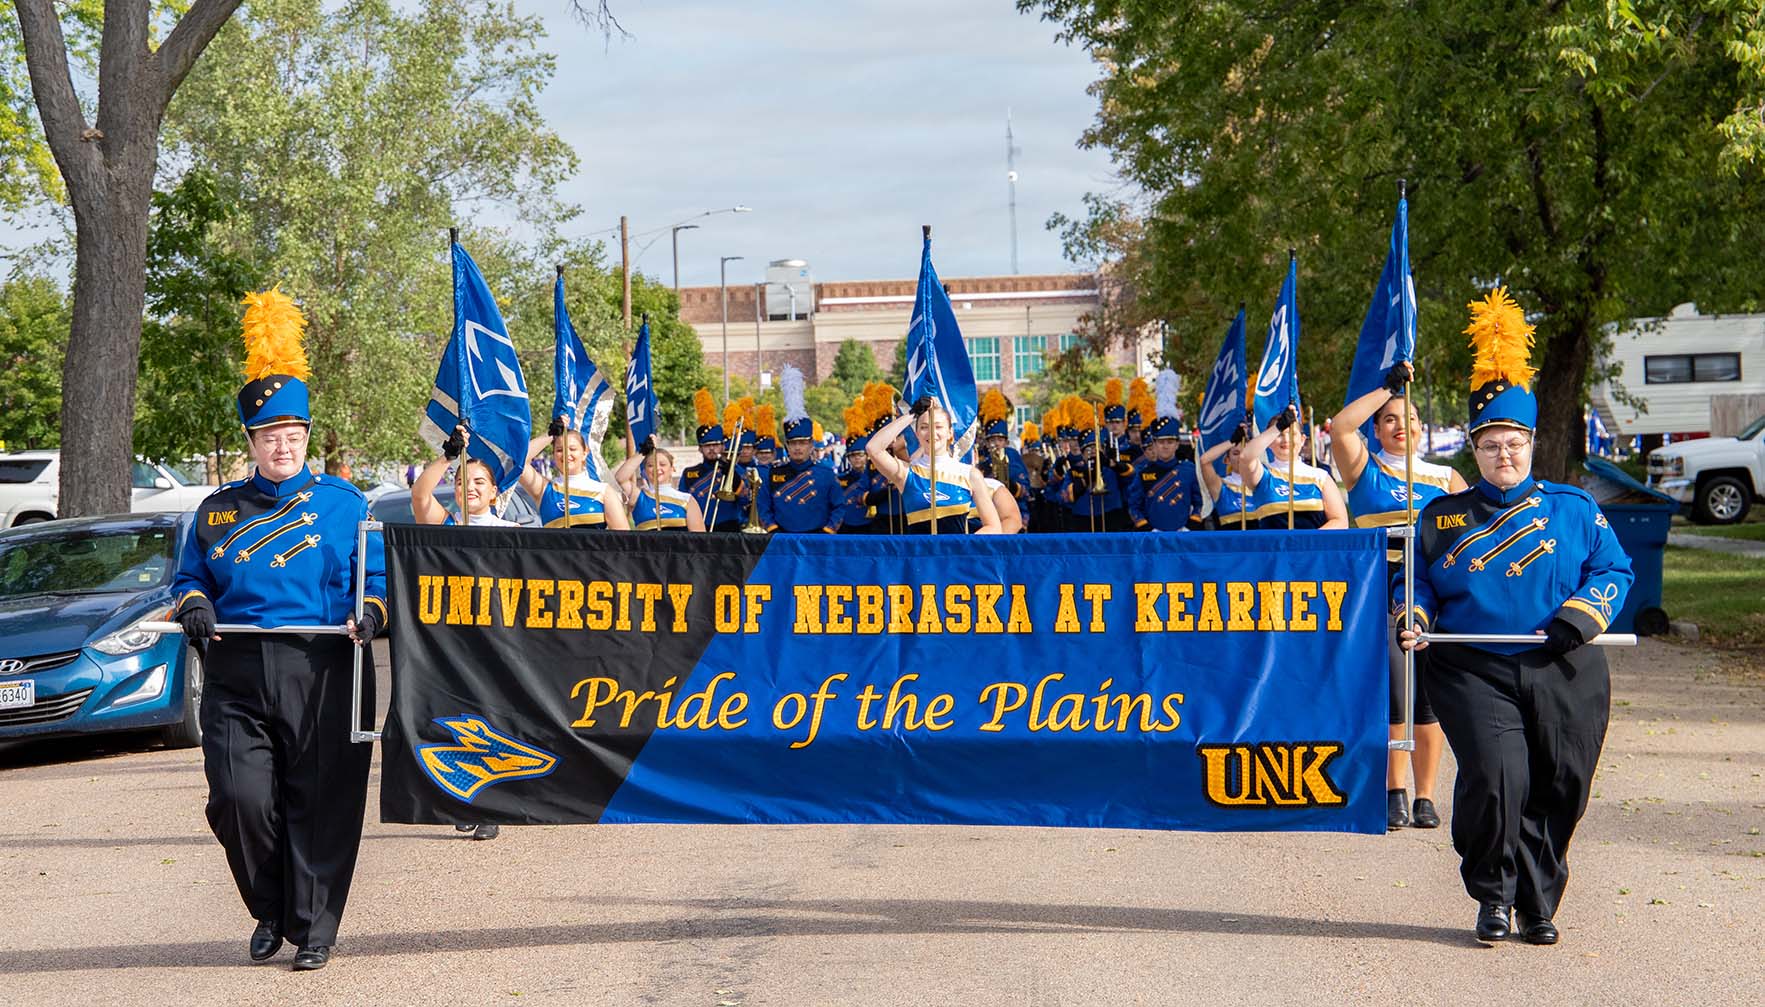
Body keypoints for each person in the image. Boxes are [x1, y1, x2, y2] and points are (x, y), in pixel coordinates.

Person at [1399, 288, 1633, 945]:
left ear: (1531, 443)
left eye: (1515, 442)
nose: (1504, 455)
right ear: (1471, 448)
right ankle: (1494, 896)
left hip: (1565, 662)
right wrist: (1411, 614)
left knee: (1560, 784)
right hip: (1472, 664)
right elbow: (1413, 582)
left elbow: (1614, 571)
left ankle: (1537, 901)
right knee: (1499, 778)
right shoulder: (1440, 517)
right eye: (1490, 443)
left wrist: (1578, 618)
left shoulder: (1574, 507)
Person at [171, 288, 384, 972]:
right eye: (269, 436)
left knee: (320, 801)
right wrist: (193, 604)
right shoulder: (216, 510)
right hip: (235, 668)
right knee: (238, 798)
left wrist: (373, 612)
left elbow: (376, 580)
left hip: (324, 665)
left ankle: (314, 927)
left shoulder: (345, 504)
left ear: (305, 437)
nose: (282, 445)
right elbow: (189, 578)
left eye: (292, 435)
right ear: (252, 442)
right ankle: (271, 906)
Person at [1332, 360, 1469, 831]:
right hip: (1379, 595)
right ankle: (1395, 790)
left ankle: (1427, 795)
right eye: (1389, 419)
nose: (1400, 426)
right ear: (1377, 429)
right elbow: (1341, 426)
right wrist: (1387, 388)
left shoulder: (1446, 480)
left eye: (1407, 418)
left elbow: (1473, 544)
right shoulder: (1363, 472)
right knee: (1395, 695)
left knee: (1428, 700)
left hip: (1435, 596)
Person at [408, 426, 512, 841]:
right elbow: (419, 496)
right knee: (454, 719)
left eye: (479, 482)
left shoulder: (513, 533)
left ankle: (491, 805)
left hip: (496, 641)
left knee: (491, 718)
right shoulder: (444, 522)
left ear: (493, 491)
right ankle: (459, 799)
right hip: (449, 640)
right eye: (462, 482)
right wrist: (448, 456)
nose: (470, 488)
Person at [866, 396, 1002, 534]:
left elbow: (993, 527)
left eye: (938, 427)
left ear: (950, 433)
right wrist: (912, 413)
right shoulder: (907, 473)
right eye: (924, 427)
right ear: (917, 434)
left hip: (956, 554)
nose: (931, 432)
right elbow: (873, 448)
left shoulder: (970, 474)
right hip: (919, 554)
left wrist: (962, 548)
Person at [759, 365, 843, 533]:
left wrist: (827, 530)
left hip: (818, 540)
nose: (798, 447)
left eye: (803, 443)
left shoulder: (826, 473)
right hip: (783, 540)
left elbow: (839, 507)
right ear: (786, 446)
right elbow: (763, 506)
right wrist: (773, 529)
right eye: (793, 443)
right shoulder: (773, 474)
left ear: (811, 445)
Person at [1235, 407, 1348, 529]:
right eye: (1279, 434)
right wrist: (1278, 427)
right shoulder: (1263, 474)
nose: (1286, 440)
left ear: (1302, 439)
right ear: (1269, 441)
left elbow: (1340, 521)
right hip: (1273, 547)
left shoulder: (1320, 476)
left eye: (1292, 434)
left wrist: (1305, 542)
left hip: (1312, 547)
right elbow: (1245, 457)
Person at [1128, 369, 1206, 532]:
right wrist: (1147, 528)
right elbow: (1134, 506)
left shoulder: (1189, 470)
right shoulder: (1143, 472)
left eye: (1170, 442)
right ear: (1154, 444)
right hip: (1153, 539)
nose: (1165, 446)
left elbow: (1199, 502)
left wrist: (1190, 525)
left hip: (1183, 537)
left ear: (1177, 444)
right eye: (1161, 442)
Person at [518, 420, 630, 530]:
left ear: (585, 453)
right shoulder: (545, 490)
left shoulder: (603, 491)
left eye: (572, 449)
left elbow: (623, 539)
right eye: (559, 450)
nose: (566, 454)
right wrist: (550, 434)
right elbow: (518, 462)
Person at [614, 439, 706, 532]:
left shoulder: (687, 500)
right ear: (645, 471)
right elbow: (620, 478)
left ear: (672, 468)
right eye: (650, 465)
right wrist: (642, 452)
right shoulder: (639, 497)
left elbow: (698, 538)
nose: (657, 468)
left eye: (662, 464)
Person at [1198, 425, 1267, 530]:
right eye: (1236, 453)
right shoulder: (1222, 486)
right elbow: (1204, 461)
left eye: (1246, 453)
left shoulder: (1264, 483)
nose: (1241, 457)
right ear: (1227, 460)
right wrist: (1231, 441)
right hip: (1231, 544)